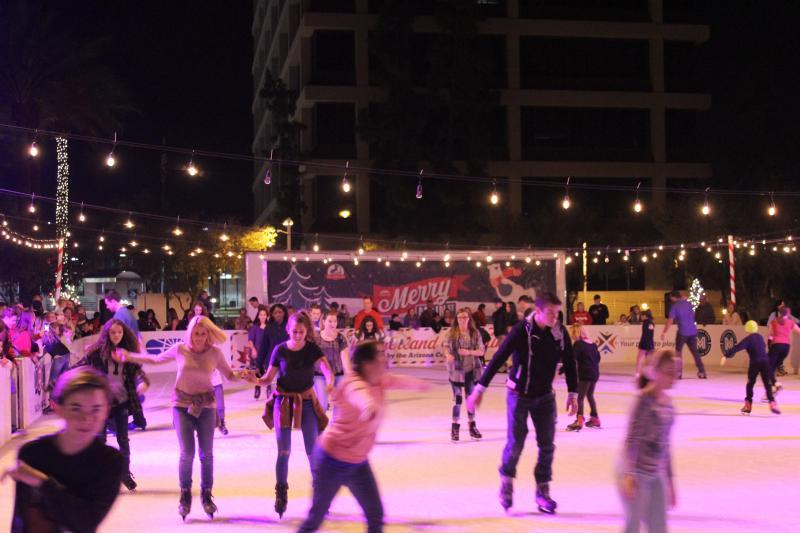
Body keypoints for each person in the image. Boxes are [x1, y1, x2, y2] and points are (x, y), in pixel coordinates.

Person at [115, 315, 245, 520]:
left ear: (208, 334)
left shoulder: (215, 353)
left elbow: (230, 376)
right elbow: (154, 359)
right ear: (190, 333)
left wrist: (245, 375)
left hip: (206, 407)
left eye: (202, 334)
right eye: (195, 333)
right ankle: (185, 495)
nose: (199, 338)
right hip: (181, 406)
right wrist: (130, 356)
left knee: (206, 454)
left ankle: (206, 494)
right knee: (187, 453)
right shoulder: (180, 349)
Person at [297, 341, 429, 533]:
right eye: (380, 355)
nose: (385, 358)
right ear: (367, 363)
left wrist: (418, 385)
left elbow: (396, 380)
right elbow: (360, 396)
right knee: (315, 519)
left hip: (358, 462)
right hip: (331, 460)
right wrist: (369, 407)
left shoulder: (379, 379)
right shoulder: (353, 383)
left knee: (375, 515)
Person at [467, 292, 578, 514]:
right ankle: (506, 483)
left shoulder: (559, 331)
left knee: (547, 445)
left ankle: (542, 491)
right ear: (538, 311)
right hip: (519, 395)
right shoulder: (521, 330)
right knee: (516, 443)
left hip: (545, 396)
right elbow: (499, 357)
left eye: (557, 313)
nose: (555, 318)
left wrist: (573, 393)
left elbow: (569, 361)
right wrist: (479, 389)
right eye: (550, 313)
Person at [4, 367, 124, 533]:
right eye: (76, 408)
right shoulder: (32, 454)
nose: (86, 419)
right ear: (59, 408)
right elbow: (22, 522)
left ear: (106, 411)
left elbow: (85, 523)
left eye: (96, 409)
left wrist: (42, 482)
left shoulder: (109, 462)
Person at [247, 312, 333, 518]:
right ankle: (281, 493)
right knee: (283, 451)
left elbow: (326, 368)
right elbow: (268, 378)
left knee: (313, 450)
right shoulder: (280, 349)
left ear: (307, 331)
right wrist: (254, 380)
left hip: (307, 402)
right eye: (294, 331)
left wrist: (330, 383)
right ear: (288, 330)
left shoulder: (311, 348)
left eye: (301, 332)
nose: (298, 335)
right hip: (283, 402)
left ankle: (320, 494)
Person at [78, 319, 148, 492]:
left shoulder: (128, 353)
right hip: (100, 405)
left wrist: (142, 382)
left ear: (124, 334)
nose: (116, 335)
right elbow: (78, 367)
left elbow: (138, 372)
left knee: (123, 439)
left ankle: (124, 472)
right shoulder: (96, 354)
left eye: (119, 332)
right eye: (113, 332)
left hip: (121, 402)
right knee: (100, 439)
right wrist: (60, 382)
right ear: (107, 334)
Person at [619, 350, 677, 533]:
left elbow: (666, 446)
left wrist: (670, 482)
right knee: (633, 525)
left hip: (657, 473)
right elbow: (632, 438)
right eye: (669, 372)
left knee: (659, 527)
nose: (673, 377)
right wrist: (629, 474)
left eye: (675, 372)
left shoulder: (669, 405)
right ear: (656, 372)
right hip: (638, 473)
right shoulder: (644, 400)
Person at [722, 320, 780, 415]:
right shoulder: (760, 337)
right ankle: (772, 402)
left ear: (747, 329)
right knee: (767, 384)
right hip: (765, 362)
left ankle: (748, 404)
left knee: (750, 384)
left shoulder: (748, 339)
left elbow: (738, 347)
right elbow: (763, 347)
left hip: (755, 363)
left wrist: (726, 355)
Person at [444, 308, 485, 441]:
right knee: (458, 399)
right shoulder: (452, 333)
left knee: (470, 399)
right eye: (460, 317)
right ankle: (455, 427)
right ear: (457, 319)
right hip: (456, 371)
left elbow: (481, 351)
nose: (462, 320)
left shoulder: (475, 333)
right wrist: (448, 355)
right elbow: (445, 346)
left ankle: (472, 426)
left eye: (465, 317)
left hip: (471, 370)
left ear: (469, 319)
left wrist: (469, 352)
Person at [661, 290, 707, 379]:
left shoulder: (674, 306)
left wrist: (664, 332)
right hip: (693, 331)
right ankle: (702, 371)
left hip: (683, 332)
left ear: (673, 297)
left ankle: (678, 373)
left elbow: (670, 321)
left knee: (678, 352)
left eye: (671, 297)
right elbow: (693, 315)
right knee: (695, 352)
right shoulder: (688, 303)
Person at [566, 325, 601, 431]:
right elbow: (598, 358)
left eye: (573, 334)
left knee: (580, 397)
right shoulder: (593, 344)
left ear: (576, 333)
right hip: (594, 374)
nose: (572, 337)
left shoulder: (578, 344)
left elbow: (572, 358)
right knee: (590, 395)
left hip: (585, 374)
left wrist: (563, 368)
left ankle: (579, 420)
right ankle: (595, 418)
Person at [315, 309, 351, 413]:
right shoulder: (316, 337)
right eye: (330, 321)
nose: (333, 324)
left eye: (335, 321)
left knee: (339, 405)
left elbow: (344, 358)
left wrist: (350, 373)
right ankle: (320, 423)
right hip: (320, 375)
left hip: (338, 374)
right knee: (322, 404)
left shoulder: (340, 338)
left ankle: (336, 422)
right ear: (323, 321)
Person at [767, 307, 800, 396]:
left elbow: (770, 336)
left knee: (769, 367)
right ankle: (773, 387)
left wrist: (769, 345)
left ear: (779, 313)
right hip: (786, 348)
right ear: (788, 314)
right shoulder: (790, 322)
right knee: (773, 367)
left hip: (776, 346)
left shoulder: (774, 322)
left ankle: (775, 384)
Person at [41, 321, 72, 391]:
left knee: (53, 380)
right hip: (66, 354)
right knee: (62, 378)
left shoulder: (49, 338)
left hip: (59, 356)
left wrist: (37, 358)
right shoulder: (54, 337)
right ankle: (60, 393)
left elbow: (46, 324)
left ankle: (53, 393)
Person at [248, 305, 271, 400]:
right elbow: (250, 340)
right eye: (261, 314)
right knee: (259, 371)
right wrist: (253, 349)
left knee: (269, 370)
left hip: (268, 352)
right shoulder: (254, 328)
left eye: (264, 315)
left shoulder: (270, 327)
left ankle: (269, 388)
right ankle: (257, 387)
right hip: (258, 352)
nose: (262, 316)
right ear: (258, 316)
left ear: (267, 316)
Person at [636, 309, 655, 378]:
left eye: (642, 316)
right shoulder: (651, 322)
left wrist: (641, 343)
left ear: (645, 316)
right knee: (649, 359)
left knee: (639, 358)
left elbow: (645, 334)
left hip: (644, 343)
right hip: (650, 343)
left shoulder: (645, 322)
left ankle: (638, 372)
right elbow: (650, 334)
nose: (641, 317)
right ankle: (649, 373)